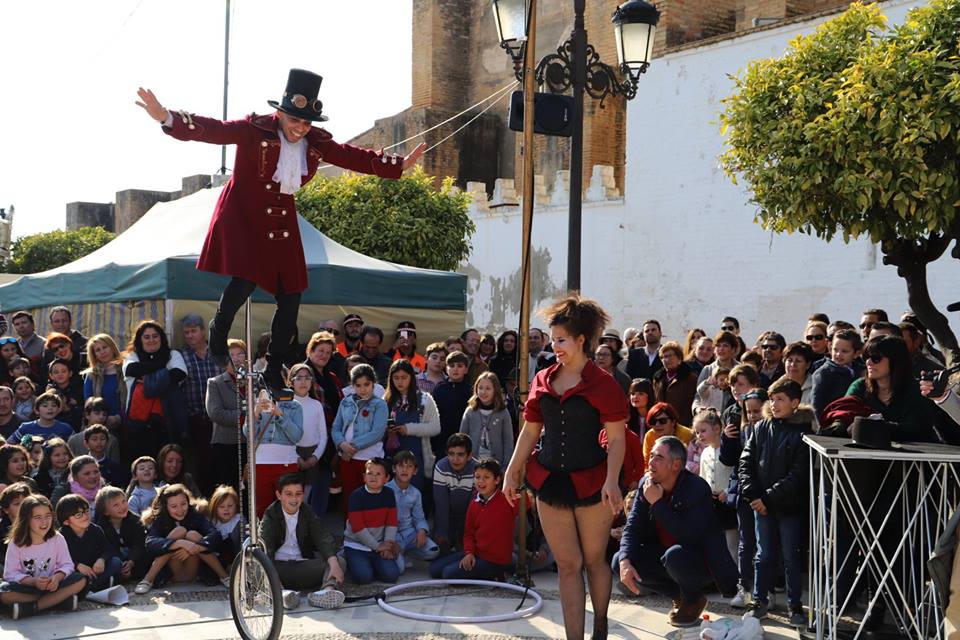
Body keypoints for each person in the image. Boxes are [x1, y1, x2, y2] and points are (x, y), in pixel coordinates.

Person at [136, 71, 424, 394]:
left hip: (281, 220)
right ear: (281, 112)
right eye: (295, 120)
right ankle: (218, 332)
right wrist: (167, 117)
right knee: (244, 279)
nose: (300, 128)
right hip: (244, 213)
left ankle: (274, 369)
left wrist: (397, 166)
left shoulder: (315, 142)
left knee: (292, 295)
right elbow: (215, 130)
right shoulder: (254, 129)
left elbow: (351, 156)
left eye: (306, 123)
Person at [504, 294, 628, 640]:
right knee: (568, 565)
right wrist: (512, 470)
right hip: (549, 481)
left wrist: (612, 481)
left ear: (581, 340)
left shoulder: (604, 383)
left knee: (594, 561)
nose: (554, 345)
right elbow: (531, 430)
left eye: (560, 339)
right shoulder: (543, 379)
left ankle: (600, 626)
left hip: (593, 482)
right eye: (553, 338)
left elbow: (617, 439)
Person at [613, 436, 737, 627]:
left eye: (659, 458)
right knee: (619, 559)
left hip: (700, 561)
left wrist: (658, 504)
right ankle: (680, 596)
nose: (651, 462)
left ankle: (693, 596)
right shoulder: (646, 484)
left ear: (676, 464)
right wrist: (624, 561)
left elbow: (688, 535)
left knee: (675, 556)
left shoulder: (696, 488)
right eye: (651, 455)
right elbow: (633, 527)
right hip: (666, 554)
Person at [738, 378, 812, 625]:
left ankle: (795, 604)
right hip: (762, 506)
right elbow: (746, 461)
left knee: (791, 556)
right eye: (772, 399)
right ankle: (759, 600)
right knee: (763, 554)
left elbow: (798, 474)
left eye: (780, 399)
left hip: (788, 507)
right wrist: (753, 494)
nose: (774, 403)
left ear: (794, 402)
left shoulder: (803, 431)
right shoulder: (761, 428)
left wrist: (767, 498)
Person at [824, 335, 939, 442]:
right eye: (866, 357)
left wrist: (872, 427)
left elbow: (916, 430)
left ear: (895, 361)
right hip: (866, 457)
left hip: (912, 459)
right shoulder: (859, 386)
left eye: (876, 358)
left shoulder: (917, 390)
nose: (868, 362)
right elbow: (845, 414)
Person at [259, 473, 345, 606]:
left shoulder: (307, 511)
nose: (294, 498)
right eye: (288, 494)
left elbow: (322, 537)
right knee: (254, 564)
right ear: (279, 495)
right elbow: (266, 548)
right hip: (278, 568)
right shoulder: (271, 514)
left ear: (303, 495)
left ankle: (326, 593)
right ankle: (281, 595)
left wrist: (333, 563)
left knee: (339, 561)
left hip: (303, 565)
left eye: (298, 494)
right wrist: (274, 581)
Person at [0, 494, 86, 619]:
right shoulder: (16, 542)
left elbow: (67, 565)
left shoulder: (57, 539)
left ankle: (33, 608)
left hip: (54, 587)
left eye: (48, 516)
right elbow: (10, 574)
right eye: (37, 517)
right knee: (3, 592)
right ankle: (59, 602)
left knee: (81, 579)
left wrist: (57, 577)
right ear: (26, 520)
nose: (44, 522)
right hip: (28, 589)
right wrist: (33, 582)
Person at [430, 458, 516, 580]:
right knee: (434, 569)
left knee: (448, 574)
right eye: (477, 477)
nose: (480, 481)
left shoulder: (506, 500)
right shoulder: (474, 503)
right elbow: (469, 533)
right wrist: (469, 553)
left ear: (497, 480)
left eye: (486, 477)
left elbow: (527, 501)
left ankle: (495, 574)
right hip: (477, 553)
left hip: (495, 560)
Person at [721, 387, 767, 608]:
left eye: (757, 411)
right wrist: (727, 439)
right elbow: (729, 460)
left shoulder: (771, 431)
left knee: (765, 544)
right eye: (748, 412)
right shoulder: (742, 431)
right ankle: (744, 587)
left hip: (767, 495)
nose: (752, 416)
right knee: (745, 542)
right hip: (743, 493)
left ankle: (764, 590)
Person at [136, 484, 227, 594]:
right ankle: (147, 580)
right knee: (179, 531)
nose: (180, 510)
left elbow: (215, 536)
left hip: (194, 567)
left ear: (188, 502)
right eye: (174, 506)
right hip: (172, 570)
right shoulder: (160, 519)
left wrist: (195, 547)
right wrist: (179, 543)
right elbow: (150, 543)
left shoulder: (195, 515)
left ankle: (224, 576)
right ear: (166, 507)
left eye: (183, 504)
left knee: (192, 534)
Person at [122, 321, 188, 463]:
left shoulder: (173, 354)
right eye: (146, 337)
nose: (151, 340)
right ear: (140, 339)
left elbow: (179, 373)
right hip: (138, 425)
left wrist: (146, 373)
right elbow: (131, 369)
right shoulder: (132, 356)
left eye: (155, 336)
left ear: (161, 338)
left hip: (168, 422)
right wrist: (162, 369)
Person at [331, 364, 387, 514]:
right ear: (352, 385)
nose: (363, 389)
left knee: (370, 496)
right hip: (347, 458)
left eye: (367, 384)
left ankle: (370, 533)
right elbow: (336, 427)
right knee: (350, 496)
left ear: (373, 383)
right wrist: (342, 444)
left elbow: (377, 432)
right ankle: (350, 532)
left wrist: (352, 447)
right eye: (358, 385)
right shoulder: (345, 402)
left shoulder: (380, 404)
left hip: (369, 459)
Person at [383, 359, 440, 494]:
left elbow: (435, 427)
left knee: (415, 494)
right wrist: (386, 431)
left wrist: (408, 429)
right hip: (391, 457)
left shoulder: (425, 399)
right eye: (396, 378)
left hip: (416, 457)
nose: (400, 382)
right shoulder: (384, 400)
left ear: (412, 378)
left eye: (404, 377)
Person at [179, 314, 220, 497]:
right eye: (186, 332)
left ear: (203, 331)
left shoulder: (219, 353)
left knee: (220, 464)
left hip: (220, 421)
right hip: (196, 420)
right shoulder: (181, 356)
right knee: (199, 467)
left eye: (193, 331)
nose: (190, 336)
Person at [342, 457, 400, 585]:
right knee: (363, 577)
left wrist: (387, 545)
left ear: (386, 478)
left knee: (392, 575)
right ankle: (351, 559)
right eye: (370, 473)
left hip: (379, 544)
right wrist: (378, 547)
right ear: (364, 477)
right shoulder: (356, 496)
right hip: (357, 544)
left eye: (378, 474)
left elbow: (391, 523)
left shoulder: (389, 494)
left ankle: (371, 563)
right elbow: (358, 528)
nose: (373, 477)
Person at [251, 389, 304, 518]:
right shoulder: (255, 403)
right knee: (262, 509)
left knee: (290, 507)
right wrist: (255, 413)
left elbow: (297, 436)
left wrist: (280, 416)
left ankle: (290, 537)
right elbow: (248, 435)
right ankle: (265, 537)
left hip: (287, 463)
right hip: (261, 463)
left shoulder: (295, 405)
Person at [693, 410, 738, 562]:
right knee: (715, 541)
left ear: (717, 429)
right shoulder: (705, 452)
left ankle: (735, 576)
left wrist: (727, 491)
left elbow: (735, 473)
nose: (699, 435)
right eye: (697, 432)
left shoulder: (728, 450)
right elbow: (703, 477)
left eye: (703, 431)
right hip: (712, 502)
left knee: (732, 542)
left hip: (729, 500)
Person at [56, 494, 122, 595]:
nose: (85, 516)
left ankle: (91, 587)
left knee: (116, 562)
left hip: (95, 570)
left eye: (87, 511)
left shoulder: (95, 529)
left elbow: (108, 549)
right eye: (78, 515)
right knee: (68, 575)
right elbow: (58, 561)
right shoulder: (61, 537)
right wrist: (77, 565)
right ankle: (95, 586)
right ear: (66, 521)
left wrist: (102, 559)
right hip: (76, 571)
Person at [386, 450, 439, 572]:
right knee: (399, 569)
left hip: (409, 533)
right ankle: (399, 554)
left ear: (415, 471)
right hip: (391, 535)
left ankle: (405, 551)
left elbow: (419, 517)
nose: (405, 470)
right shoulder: (386, 490)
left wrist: (421, 530)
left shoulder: (415, 493)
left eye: (409, 466)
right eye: (401, 466)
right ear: (394, 469)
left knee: (433, 551)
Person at [205, 339, 246, 491]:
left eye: (240, 354)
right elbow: (216, 414)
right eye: (231, 355)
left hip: (251, 444)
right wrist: (247, 417)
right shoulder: (215, 383)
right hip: (226, 445)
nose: (236, 358)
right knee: (228, 489)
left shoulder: (256, 381)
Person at [432, 433, 477, 554]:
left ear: (469, 456)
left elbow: (475, 506)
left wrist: (466, 535)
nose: (455, 459)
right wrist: (442, 533)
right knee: (437, 554)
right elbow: (441, 504)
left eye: (460, 455)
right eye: (451, 454)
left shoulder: (478, 470)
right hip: (448, 519)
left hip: (469, 521)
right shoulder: (441, 467)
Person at [94, 487, 149, 583]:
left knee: (146, 556)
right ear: (106, 512)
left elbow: (139, 544)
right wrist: (122, 563)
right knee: (113, 563)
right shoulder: (100, 526)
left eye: (124, 501)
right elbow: (107, 547)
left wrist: (131, 561)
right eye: (116, 505)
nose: (122, 507)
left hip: (135, 557)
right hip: (115, 557)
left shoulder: (136, 521)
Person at [458, 372, 514, 466]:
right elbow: (462, 437)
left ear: (495, 390)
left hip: (495, 464)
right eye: (480, 388)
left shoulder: (503, 413)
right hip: (472, 463)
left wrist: (505, 466)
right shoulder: (470, 411)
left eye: (488, 388)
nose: (483, 392)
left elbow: (508, 441)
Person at [810, 328, 864, 422]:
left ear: (856, 353)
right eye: (835, 350)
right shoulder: (823, 373)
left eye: (844, 351)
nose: (838, 354)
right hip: (833, 423)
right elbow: (817, 405)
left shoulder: (861, 371)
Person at [430, 351, 472, 459]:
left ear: (466, 369)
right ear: (446, 368)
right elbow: (432, 416)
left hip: (463, 440)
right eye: (452, 366)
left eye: (460, 366)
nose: (455, 369)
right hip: (441, 441)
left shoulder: (470, 391)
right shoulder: (439, 389)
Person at [652, 341, 698, 426]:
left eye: (670, 356)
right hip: (661, 424)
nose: (666, 359)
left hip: (682, 425)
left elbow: (689, 404)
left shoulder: (690, 378)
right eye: (663, 357)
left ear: (679, 358)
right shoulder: (658, 378)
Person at [68, 397, 121, 463]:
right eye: (97, 413)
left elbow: (115, 467)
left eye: (104, 414)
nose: (101, 417)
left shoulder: (112, 441)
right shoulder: (74, 440)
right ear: (87, 415)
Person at [205, 485, 245, 569]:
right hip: (216, 559)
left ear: (236, 506)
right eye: (222, 507)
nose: (226, 509)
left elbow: (244, 542)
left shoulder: (239, 521)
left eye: (230, 506)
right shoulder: (211, 521)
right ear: (215, 508)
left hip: (236, 560)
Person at [45, 357, 83, 431]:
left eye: (63, 371)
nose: (60, 374)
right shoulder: (50, 391)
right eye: (56, 372)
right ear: (51, 376)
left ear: (70, 373)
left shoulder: (79, 388)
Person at [11, 312, 45, 382]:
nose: (21, 326)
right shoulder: (13, 346)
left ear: (33, 324)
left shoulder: (44, 344)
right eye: (17, 324)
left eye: (24, 322)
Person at [782, 341, 816, 406]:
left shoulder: (815, 387)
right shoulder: (776, 387)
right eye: (790, 360)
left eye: (798, 361)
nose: (793, 364)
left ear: (808, 365)